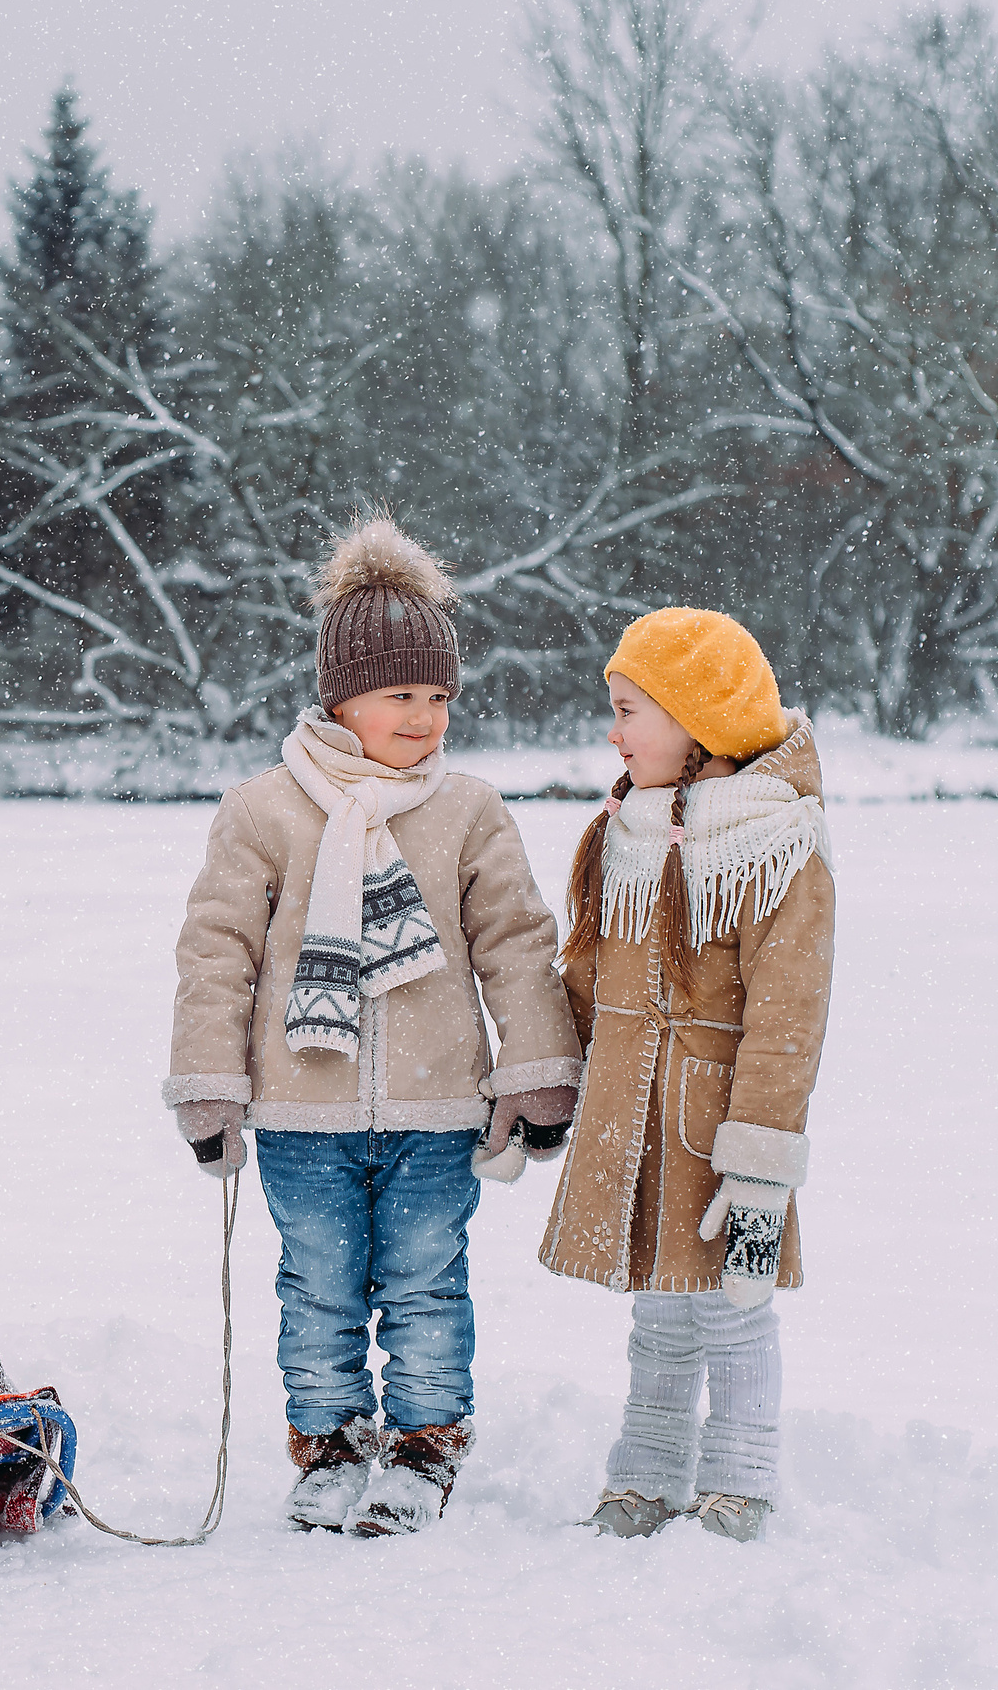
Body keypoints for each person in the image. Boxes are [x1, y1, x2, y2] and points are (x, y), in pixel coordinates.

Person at [164, 514, 584, 1535]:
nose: (425, 716)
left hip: (439, 1105)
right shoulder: (264, 810)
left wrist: (534, 1074)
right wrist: (209, 1084)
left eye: (438, 697)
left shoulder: (467, 811)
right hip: (301, 1107)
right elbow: (216, 951)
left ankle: (423, 1444)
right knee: (316, 1287)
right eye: (401, 694)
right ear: (339, 694)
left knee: (427, 1283)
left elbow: (516, 945)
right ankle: (330, 1443)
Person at [538, 609, 836, 1544]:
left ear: (697, 723)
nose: (614, 732)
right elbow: (584, 977)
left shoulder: (778, 847)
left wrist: (760, 1158)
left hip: (723, 1138)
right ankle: (647, 1475)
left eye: (631, 710)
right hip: (635, 1132)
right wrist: (543, 1083)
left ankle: (741, 1477)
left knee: (735, 1309)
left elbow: (788, 1019)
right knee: (661, 1314)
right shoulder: (622, 834)